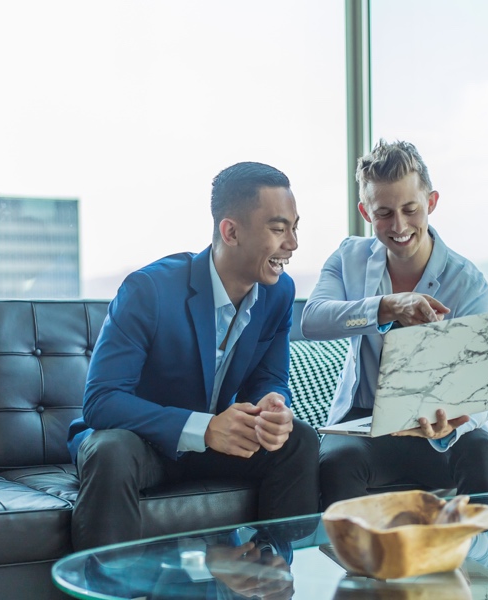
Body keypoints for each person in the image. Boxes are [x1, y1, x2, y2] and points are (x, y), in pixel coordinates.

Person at [67, 162, 320, 550]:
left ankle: (266, 579)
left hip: (214, 445)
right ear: (231, 231)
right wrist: (203, 428)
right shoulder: (148, 290)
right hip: (144, 444)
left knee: (298, 440)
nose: (293, 243)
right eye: (278, 228)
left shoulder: (279, 292)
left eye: (294, 227)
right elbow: (101, 401)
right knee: (110, 451)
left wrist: (273, 404)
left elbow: (269, 378)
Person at [301, 140, 488, 508]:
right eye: (384, 213)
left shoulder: (468, 283)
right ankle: (357, 566)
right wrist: (387, 307)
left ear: (432, 202)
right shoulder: (348, 258)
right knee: (336, 462)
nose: (399, 226)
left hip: (442, 426)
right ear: (365, 212)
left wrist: (452, 422)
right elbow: (313, 320)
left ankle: (480, 564)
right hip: (366, 424)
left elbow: (480, 387)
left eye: (410, 209)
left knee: (480, 454)